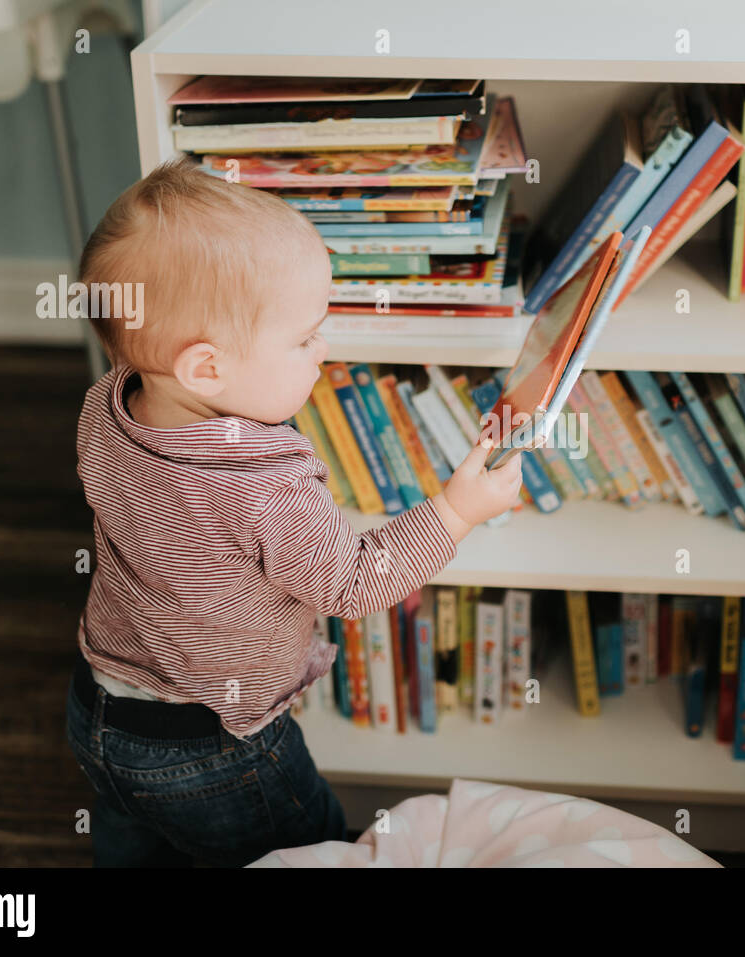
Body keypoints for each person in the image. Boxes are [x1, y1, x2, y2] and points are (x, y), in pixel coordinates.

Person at [65, 158, 523, 866]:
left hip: (98, 710)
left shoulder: (107, 402)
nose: (324, 348)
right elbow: (353, 583)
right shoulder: (264, 482)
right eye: (305, 336)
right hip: (218, 746)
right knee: (309, 851)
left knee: (133, 849)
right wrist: (458, 509)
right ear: (206, 370)